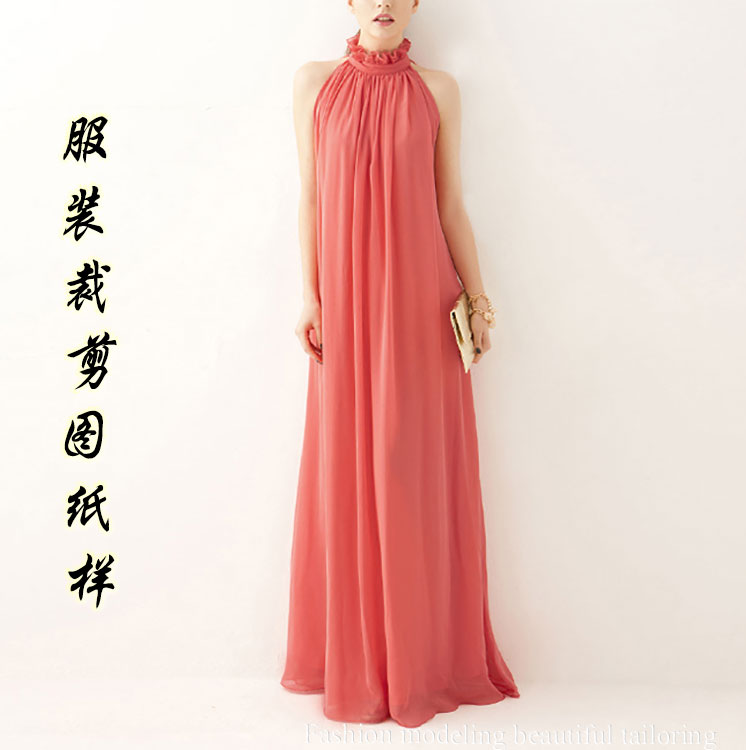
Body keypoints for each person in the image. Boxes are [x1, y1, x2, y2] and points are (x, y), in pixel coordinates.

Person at [280, 0, 520, 728]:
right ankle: (358, 663)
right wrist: (312, 296)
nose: (383, 1)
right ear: (349, 3)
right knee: (350, 468)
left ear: (416, 3)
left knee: (409, 473)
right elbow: (311, 197)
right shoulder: (314, 83)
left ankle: (421, 660)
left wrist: (478, 301)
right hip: (347, 309)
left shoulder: (439, 90)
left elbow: (450, 205)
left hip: (419, 306)